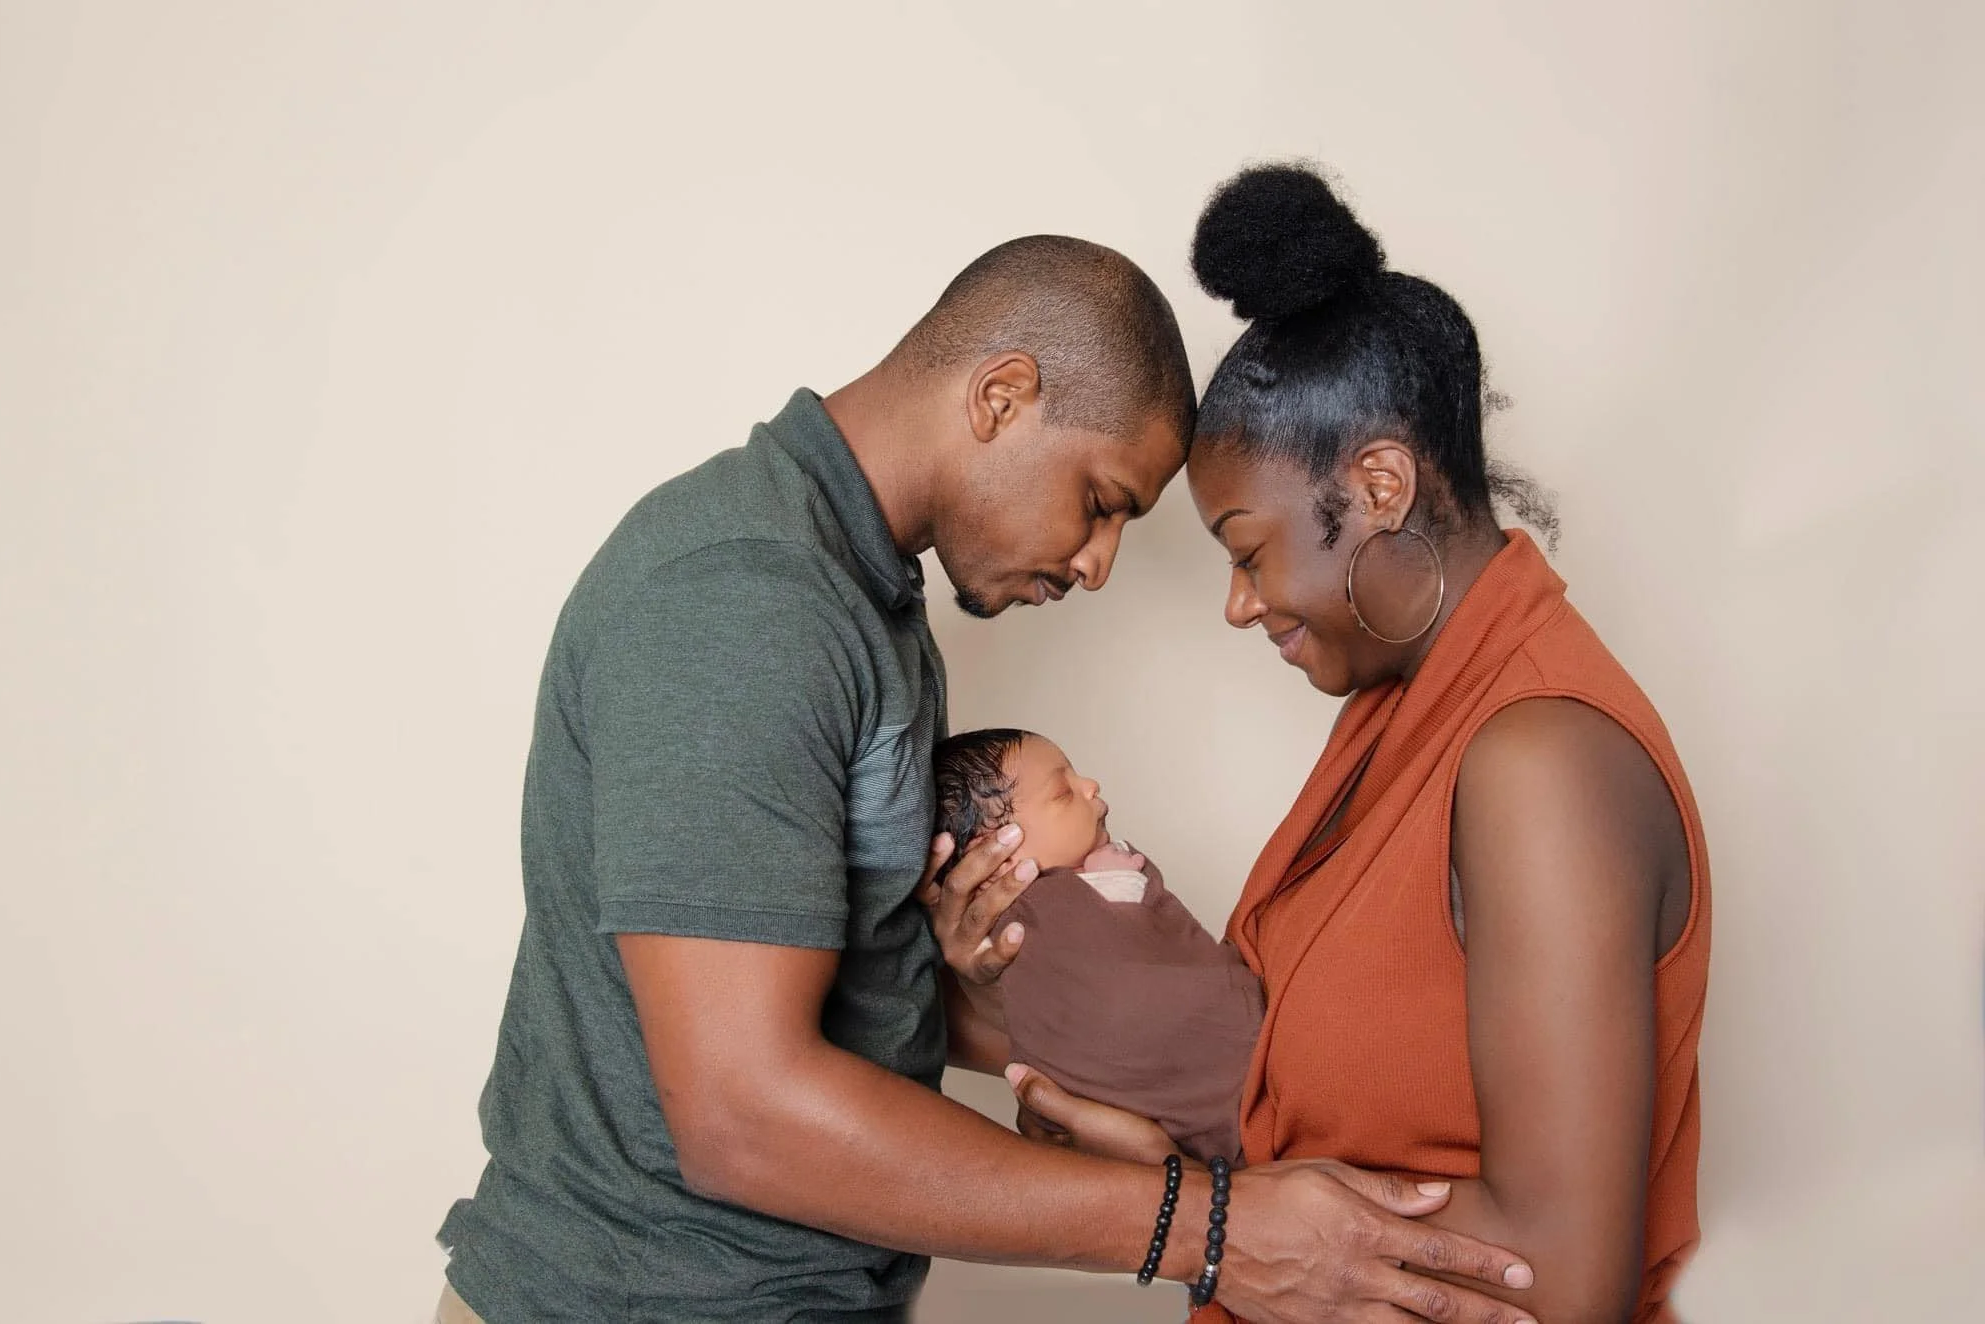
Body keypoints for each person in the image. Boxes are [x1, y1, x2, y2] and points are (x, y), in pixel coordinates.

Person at [436, 233, 1542, 1323]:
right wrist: (1205, 1229)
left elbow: (805, 1004)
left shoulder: (860, 603)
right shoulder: (746, 603)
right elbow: (742, 1114)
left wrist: (979, 1002)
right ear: (1002, 398)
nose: (1097, 564)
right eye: (1103, 502)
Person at [976, 165, 1713, 1323]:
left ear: (1376, 485)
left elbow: (1562, 1277)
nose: (1237, 602)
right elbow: (1285, 1098)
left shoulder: (1538, 761)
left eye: (1245, 547)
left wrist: (1198, 1213)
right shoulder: (1399, 710)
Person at [927, 728, 1263, 1163]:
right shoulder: (1016, 925)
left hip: (1213, 1114)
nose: (1091, 786)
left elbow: (1154, 958)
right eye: (1063, 791)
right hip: (1205, 1110)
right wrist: (1118, 879)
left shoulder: (1072, 895)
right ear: (992, 855)